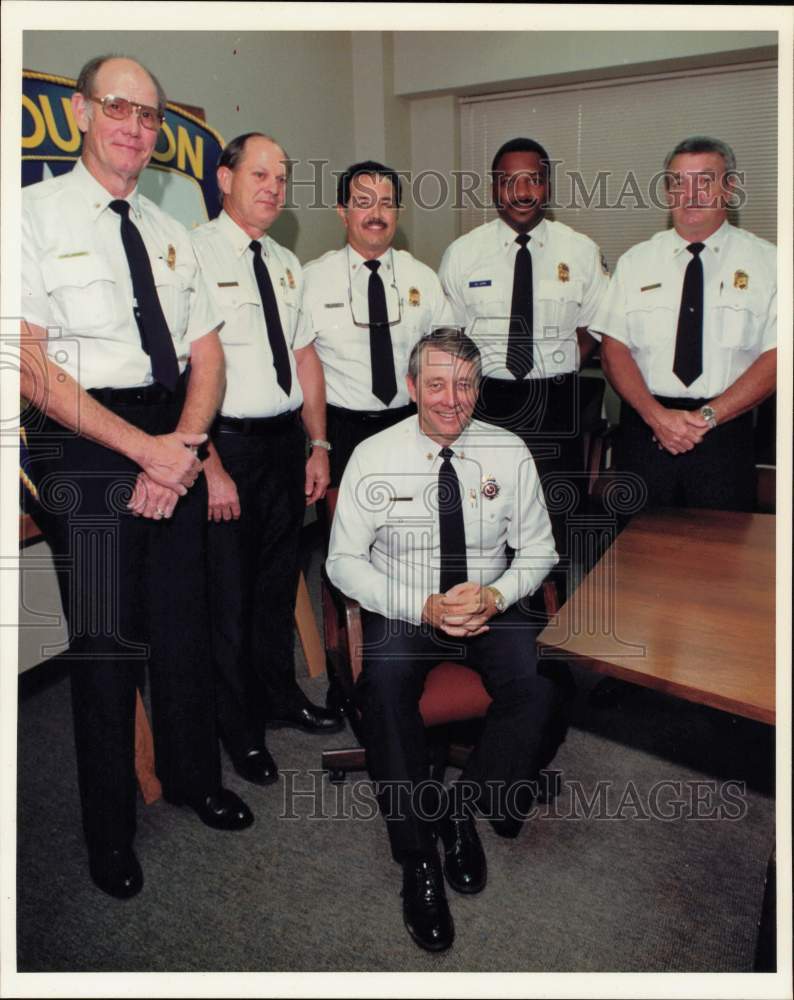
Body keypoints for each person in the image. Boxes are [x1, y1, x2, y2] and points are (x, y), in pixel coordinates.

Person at [20, 56, 252, 900]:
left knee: (182, 624)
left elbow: (208, 352)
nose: (135, 125)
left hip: (172, 429)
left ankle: (194, 778)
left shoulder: (168, 230)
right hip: (82, 436)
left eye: (150, 116)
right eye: (118, 107)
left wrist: (183, 445)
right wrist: (142, 451)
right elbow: (31, 368)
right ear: (82, 112)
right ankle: (109, 828)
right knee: (107, 643)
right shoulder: (28, 214)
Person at [326, 327, 559, 952]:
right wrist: (421, 606)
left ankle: (461, 807)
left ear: (478, 389)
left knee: (537, 692)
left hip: (487, 601)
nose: (450, 399)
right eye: (435, 384)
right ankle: (418, 858)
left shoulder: (508, 452)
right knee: (385, 686)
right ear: (412, 387)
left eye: (463, 384)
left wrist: (496, 595)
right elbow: (343, 563)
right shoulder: (373, 455)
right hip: (407, 602)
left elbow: (540, 549)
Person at [190, 132, 341, 788]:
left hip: (285, 444)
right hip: (229, 447)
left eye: (282, 178)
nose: (274, 188)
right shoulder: (190, 255)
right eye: (260, 174)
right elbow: (181, 372)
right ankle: (240, 728)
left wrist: (319, 444)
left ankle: (279, 695)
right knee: (229, 596)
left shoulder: (283, 261)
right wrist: (209, 463)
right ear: (223, 178)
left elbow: (305, 357)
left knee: (280, 583)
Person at [439, 137, 608, 591]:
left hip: (555, 401)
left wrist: (554, 364)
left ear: (547, 185)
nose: (521, 191)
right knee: (486, 519)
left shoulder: (581, 252)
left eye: (532, 178)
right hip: (486, 401)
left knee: (553, 525)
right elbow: (450, 338)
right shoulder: (463, 253)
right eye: (508, 180)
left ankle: (549, 643)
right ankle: (491, 631)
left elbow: (594, 328)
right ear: (493, 189)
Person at [591, 135, 777, 511]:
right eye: (678, 181)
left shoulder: (770, 264)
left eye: (704, 180)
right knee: (639, 556)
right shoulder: (636, 262)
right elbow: (613, 351)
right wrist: (657, 417)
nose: (690, 193)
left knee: (722, 559)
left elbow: (778, 357)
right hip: (646, 432)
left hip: (726, 434)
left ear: (730, 187)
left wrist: (706, 418)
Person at [301, 160, 453, 486]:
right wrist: (318, 444)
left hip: (409, 422)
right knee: (345, 532)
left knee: (411, 526)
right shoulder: (311, 280)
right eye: (363, 203)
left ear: (398, 212)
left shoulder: (423, 279)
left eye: (386, 203)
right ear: (343, 212)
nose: (376, 214)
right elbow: (300, 364)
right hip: (340, 429)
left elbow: (446, 359)